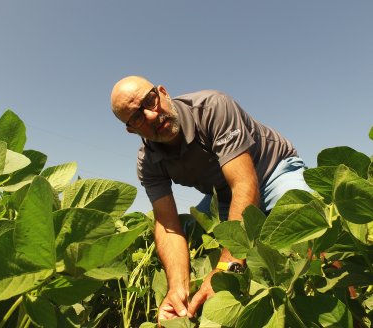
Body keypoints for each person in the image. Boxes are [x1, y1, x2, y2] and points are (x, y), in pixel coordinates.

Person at [110, 76, 311, 322]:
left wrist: (227, 267)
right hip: (224, 196)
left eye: (149, 101)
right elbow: (168, 225)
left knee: (309, 229)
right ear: (131, 129)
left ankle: (351, 311)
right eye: (137, 117)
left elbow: (245, 184)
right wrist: (177, 288)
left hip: (272, 171)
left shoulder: (212, 108)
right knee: (194, 237)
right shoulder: (148, 162)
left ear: (162, 92)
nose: (151, 116)